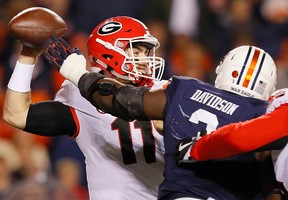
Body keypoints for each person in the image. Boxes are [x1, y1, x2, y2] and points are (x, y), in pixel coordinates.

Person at [40, 41, 279, 199]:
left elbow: (121, 101)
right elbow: (272, 187)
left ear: (223, 69)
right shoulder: (269, 116)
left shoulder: (187, 91)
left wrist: (76, 72)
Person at [3, 16, 167, 200]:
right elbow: (16, 115)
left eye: (147, 52)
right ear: (107, 54)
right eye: (136, 52)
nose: (145, 60)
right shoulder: (81, 98)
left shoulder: (167, 90)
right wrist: (28, 54)